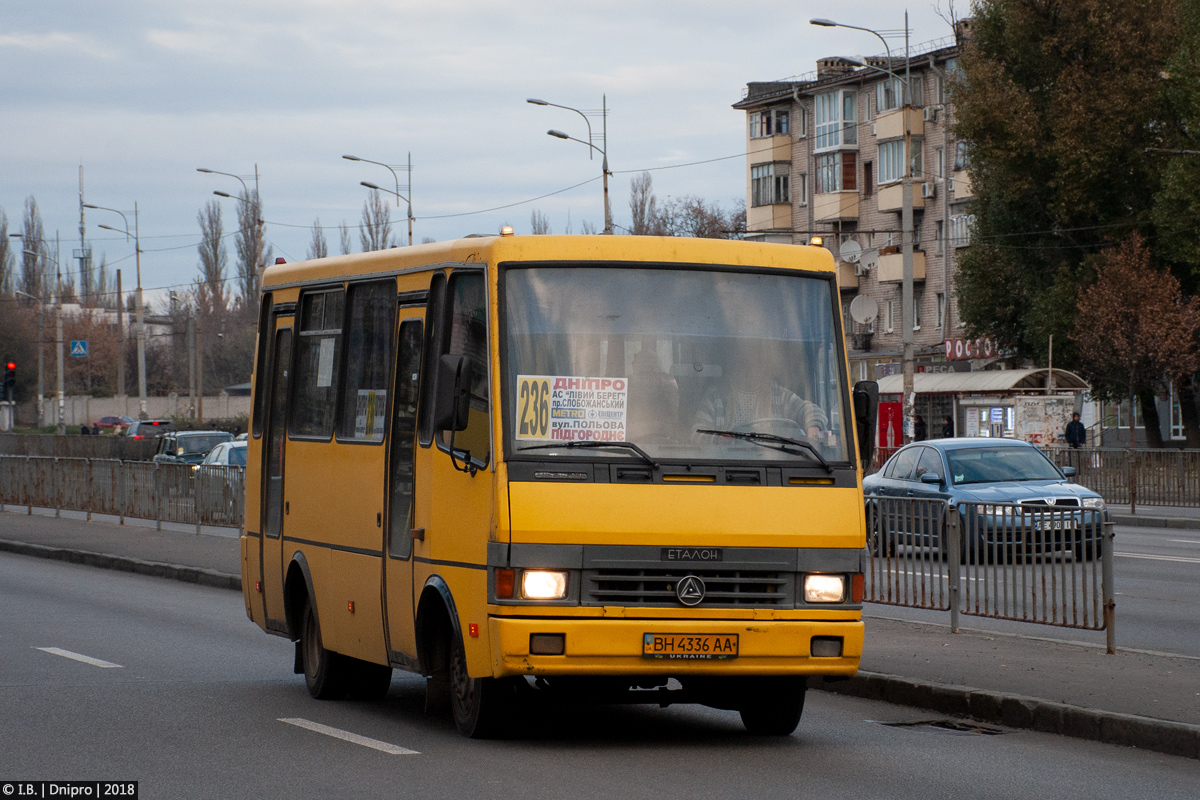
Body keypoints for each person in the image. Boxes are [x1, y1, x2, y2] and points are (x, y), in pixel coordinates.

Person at [693, 338, 827, 442]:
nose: (749, 368)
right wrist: (720, 440)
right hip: (728, 465)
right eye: (742, 362)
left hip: (771, 464)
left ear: (764, 365)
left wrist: (813, 427)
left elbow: (810, 410)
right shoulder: (716, 397)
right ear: (733, 363)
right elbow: (696, 433)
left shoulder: (779, 395)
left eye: (755, 361)